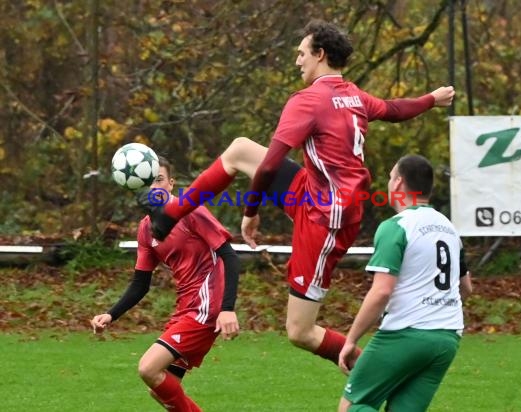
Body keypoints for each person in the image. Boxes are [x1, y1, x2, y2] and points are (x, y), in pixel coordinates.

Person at [139, 19, 455, 366]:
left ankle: (373, 372)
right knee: (241, 150)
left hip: (326, 219)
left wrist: (250, 212)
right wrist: (431, 99)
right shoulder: (353, 94)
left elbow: (272, 166)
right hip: (318, 194)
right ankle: (173, 212)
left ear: (320, 54)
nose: (297, 61)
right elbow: (394, 110)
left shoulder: (308, 101)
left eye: (302, 53)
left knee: (300, 331)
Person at [91, 156, 240, 412]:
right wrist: (111, 314)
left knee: (148, 368)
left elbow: (230, 255)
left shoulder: (191, 210)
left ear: (171, 184)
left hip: (206, 306)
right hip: (186, 307)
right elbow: (141, 283)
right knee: (159, 389)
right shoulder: (146, 229)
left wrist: (227, 308)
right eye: (149, 182)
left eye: (159, 180)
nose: (155, 187)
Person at [337, 155, 473, 412]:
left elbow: (382, 291)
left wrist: (351, 340)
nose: (388, 184)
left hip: (405, 334)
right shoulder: (450, 229)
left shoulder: (396, 226)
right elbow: (466, 287)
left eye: (390, 177)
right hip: (447, 338)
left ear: (398, 183)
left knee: (352, 406)